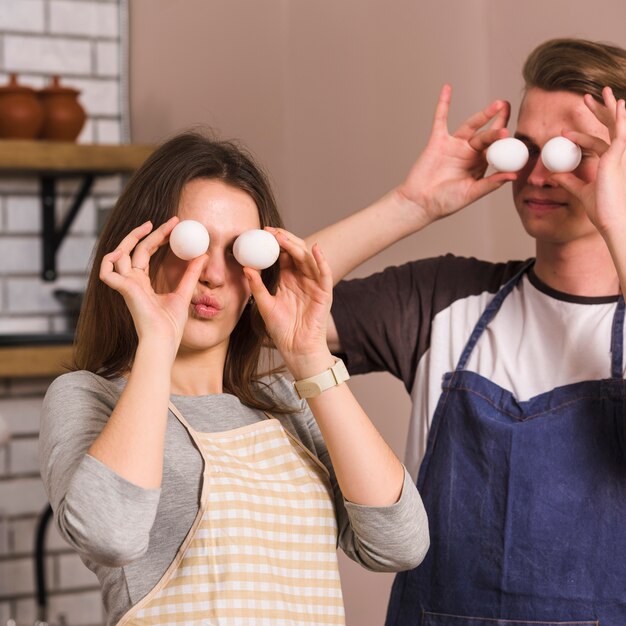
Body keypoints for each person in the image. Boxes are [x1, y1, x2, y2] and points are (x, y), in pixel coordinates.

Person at [38, 132, 429, 626]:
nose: (214, 276)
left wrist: (309, 358)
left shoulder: (288, 400)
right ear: (144, 247)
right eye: (192, 244)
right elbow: (110, 535)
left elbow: (400, 545)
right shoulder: (89, 397)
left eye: (237, 251)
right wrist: (157, 341)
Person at [307, 38, 626, 624]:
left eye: (570, 151)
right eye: (523, 148)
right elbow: (252, 313)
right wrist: (411, 204)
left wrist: (620, 221)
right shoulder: (443, 298)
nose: (537, 172)